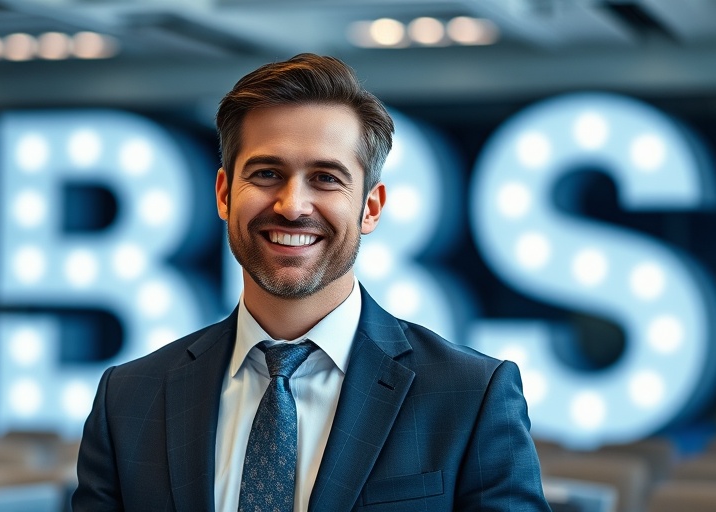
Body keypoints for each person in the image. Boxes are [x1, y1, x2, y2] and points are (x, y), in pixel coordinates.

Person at [73, 53, 551, 511]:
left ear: (371, 207)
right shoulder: (128, 398)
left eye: (325, 178)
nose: (292, 205)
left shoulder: (471, 395)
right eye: (266, 173)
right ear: (224, 194)